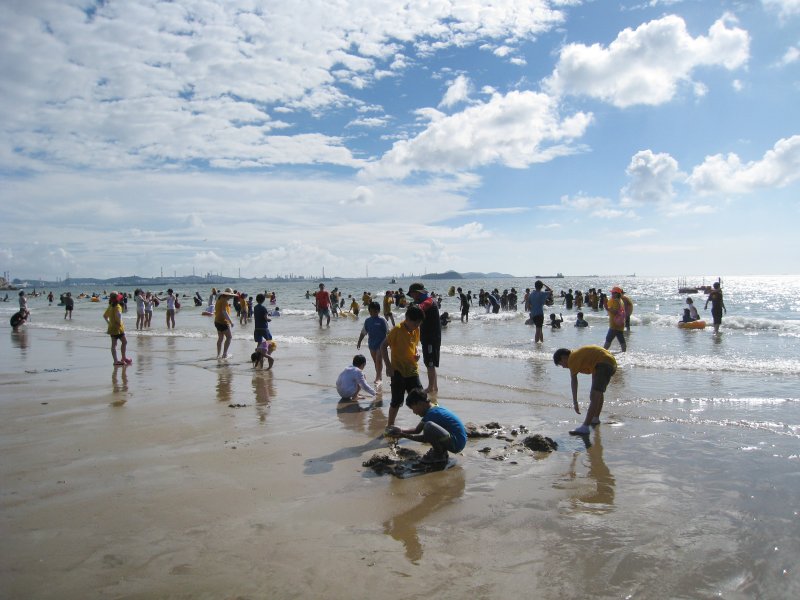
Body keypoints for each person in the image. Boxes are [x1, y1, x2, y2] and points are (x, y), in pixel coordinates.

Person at [386, 388, 467, 464]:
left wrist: (404, 435)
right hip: (457, 440)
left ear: (420, 404)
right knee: (430, 427)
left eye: (413, 409)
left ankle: (439, 454)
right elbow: (416, 430)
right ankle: (441, 451)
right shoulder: (434, 407)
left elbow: (424, 439)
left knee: (429, 426)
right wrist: (399, 429)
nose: (414, 412)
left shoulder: (432, 414)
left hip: (456, 444)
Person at [553, 345, 617, 436]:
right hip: (610, 362)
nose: (563, 367)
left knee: (595, 394)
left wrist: (575, 402)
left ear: (564, 358)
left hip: (604, 363)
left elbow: (574, 381)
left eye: (561, 363)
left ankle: (585, 427)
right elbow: (594, 367)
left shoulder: (572, 359)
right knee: (597, 393)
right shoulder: (579, 356)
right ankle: (595, 418)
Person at [380, 305, 424, 429]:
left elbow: (415, 346)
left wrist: (417, 353)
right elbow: (383, 347)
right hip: (397, 370)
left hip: (412, 369)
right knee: (397, 400)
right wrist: (388, 367)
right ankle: (390, 426)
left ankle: (428, 423)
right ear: (407, 319)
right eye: (415, 323)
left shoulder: (416, 329)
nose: (417, 326)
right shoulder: (397, 330)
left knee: (420, 397)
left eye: (419, 324)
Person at [407, 283, 441, 394]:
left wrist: (411, 306)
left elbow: (420, 308)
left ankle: (430, 388)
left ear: (417, 293)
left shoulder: (428, 301)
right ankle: (434, 387)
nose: (412, 297)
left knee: (430, 364)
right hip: (429, 337)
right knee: (429, 363)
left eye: (412, 294)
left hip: (431, 337)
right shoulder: (424, 301)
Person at [357, 301, 389, 385]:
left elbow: (388, 332)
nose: (373, 313)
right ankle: (379, 376)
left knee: (379, 359)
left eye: (375, 311)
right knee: (376, 361)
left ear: (378, 311)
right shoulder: (368, 321)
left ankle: (378, 378)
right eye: (371, 311)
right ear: (369, 311)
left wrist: (391, 343)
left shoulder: (382, 320)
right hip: (372, 344)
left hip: (381, 344)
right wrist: (359, 341)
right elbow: (363, 332)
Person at [103, 292, 132, 366]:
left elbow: (105, 316)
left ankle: (116, 360)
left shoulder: (110, 306)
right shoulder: (118, 307)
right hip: (118, 329)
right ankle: (123, 358)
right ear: (117, 298)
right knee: (124, 342)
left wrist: (109, 323)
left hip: (112, 328)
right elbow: (118, 317)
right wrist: (119, 323)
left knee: (114, 345)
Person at [527, 280, 552, 344]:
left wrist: (531, 311)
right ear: (541, 286)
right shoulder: (542, 293)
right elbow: (551, 291)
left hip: (534, 314)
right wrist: (544, 284)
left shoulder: (531, 294)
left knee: (540, 329)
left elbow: (528, 304)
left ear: (535, 286)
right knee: (538, 330)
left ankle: (541, 342)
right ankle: (536, 344)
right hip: (540, 314)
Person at [253, 293, 274, 368]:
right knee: (269, 340)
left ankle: (258, 355)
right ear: (264, 300)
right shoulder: (264, 308)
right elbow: (265, 318)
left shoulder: (255, 307)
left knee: (259, 342)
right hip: (264, 327)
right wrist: (269, 319)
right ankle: (267, 354)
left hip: (257, 327)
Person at [214, 288, 236, 359]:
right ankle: (224, 354)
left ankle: (218, 355)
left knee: (220, 338)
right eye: (231, 296)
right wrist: (231, 322)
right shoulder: (224, 300)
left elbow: (220, 310)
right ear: (228, 295)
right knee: (229, 337)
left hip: (217, 321)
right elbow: (224, 312)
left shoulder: (220, 299)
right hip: (223, 322)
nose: (231, 297)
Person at [603, 287, 627, 352]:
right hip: (620, 324)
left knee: (608, 339)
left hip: (614, 324)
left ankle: (602, 353)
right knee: (621, 339)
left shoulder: (616, 301)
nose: (612, 294)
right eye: (612, 293)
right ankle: (624, 353)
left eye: (613, 293)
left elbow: (615, 311)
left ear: (617, 293)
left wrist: (606, 307)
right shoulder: (620, 300)